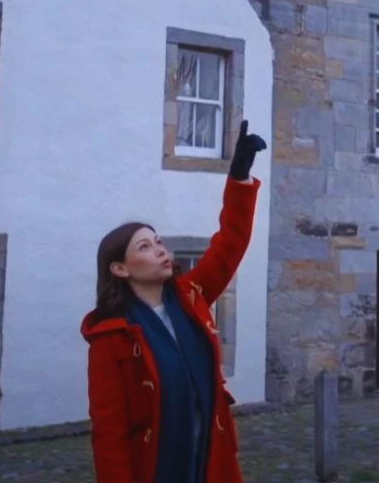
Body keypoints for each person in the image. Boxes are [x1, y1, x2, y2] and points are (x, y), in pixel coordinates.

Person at [81, 120, 267, 483]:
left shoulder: (192, 295)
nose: (160, 250)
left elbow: (231, 241)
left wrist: (240, 177)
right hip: (155, 468)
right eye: (145, 247)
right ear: (119, 268)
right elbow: (110, 435)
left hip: (211, 463)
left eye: (159, 241)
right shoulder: (111, 338)